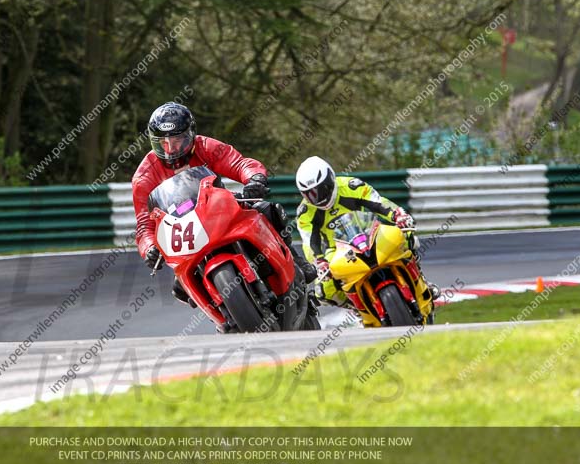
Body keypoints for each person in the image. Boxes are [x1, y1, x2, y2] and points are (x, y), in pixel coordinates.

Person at [132, 102, 316, 306]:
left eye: (178, 141)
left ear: (191, 135)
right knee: (180, 288)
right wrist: (149, 247)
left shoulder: (206, 147)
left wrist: (254, 178)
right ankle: (222, 312)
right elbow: (144, 224)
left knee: (265, 209)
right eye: (163, 143)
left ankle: (295, 260)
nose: (171, 149)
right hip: (184, 232)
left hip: (217, 211)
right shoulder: (144, 176)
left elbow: (239, 164)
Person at [295, 156, 439, 312]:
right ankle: (358, 308)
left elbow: (379, 202)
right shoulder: (304, 213)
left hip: (371, 232)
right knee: (323, 290)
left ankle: (421, 279)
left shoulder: (351, 186)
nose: (318, 198)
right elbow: (309, 242)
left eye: (321, 190)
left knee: (407, 236)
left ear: (330, 178)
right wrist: (319, 261)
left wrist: (397, 215)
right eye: (310, 194)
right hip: (337, 250)